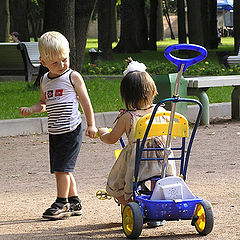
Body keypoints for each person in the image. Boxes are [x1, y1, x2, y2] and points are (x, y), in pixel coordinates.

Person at [20, 31, 98, 220]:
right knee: (63, 168)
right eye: (55, 63)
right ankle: (74, 201)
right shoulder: (45, 80)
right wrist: (32, 109)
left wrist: (91, 125)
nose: (62, 65)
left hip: (71, 129)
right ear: (44, 62)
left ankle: (61, 202)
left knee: (62, 169)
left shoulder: (73, 77)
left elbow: (85, 102)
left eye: (65, 59)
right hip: (55, 131)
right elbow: (43, 103)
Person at [98, 59, 176, 209]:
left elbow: (112, 138)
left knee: (116, 182)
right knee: (158, 176)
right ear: (153, 92)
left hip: (137, 161)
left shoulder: (128, 117)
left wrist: (102, 134)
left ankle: (128, 204)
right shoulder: (161, 112)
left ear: (125, 97)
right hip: (162, 158)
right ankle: (156, 201)